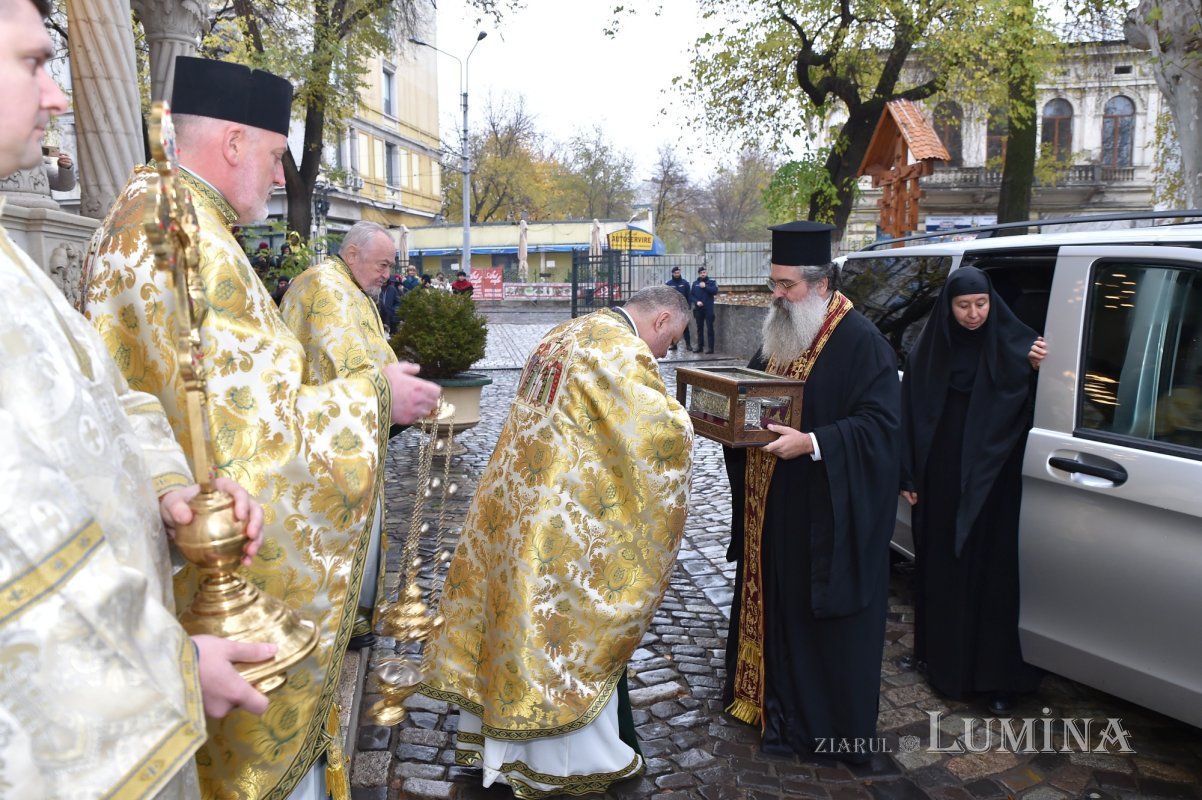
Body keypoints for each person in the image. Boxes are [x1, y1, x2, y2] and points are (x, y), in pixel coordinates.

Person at [81, 55, 441, 799]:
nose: (282, 177)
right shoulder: (185, 232)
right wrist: (374, 399)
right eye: (277, 157)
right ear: (234, 142)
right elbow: (242, 434)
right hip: (205, 571)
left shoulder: (159, 212)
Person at [0, 2, 275, 794]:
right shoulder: (163, 221)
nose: (58, 95)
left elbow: (104, 394)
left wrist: (169, 488)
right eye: (33, 62)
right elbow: (19, 541)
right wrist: (170, 665)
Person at [419, 285, 694, 796]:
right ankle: (559, 762)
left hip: (513, 506)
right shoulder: (620, 349)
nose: (665, 352)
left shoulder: (568, 332)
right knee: (555, 633)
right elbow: (655, 435)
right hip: (557, 525)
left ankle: (496, 749)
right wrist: (690, 427)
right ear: (661, 320)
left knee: (512, 627)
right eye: (671, 340)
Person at [722, 221, 900, 764]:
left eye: (787, 286)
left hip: (824, 516)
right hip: (774, 509)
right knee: (776, 607)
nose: (777, 296)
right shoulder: (783, 331)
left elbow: (882, 429)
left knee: (811, 622)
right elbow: (755, 393)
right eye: (773, 283)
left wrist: (815, 442)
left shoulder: (861, 341)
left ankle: (812, 728)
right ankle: (767, 705)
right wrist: (725, 416)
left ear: (822, 284)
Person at [899, 266, 1048, 714]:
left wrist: (1036, 370)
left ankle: (997, 677)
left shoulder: (1018, 345)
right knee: (942, 568)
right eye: (963, 305)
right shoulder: (929, 351)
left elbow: (1036, 403)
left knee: (991, 573)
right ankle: (942, 663)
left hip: (993, 477)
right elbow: (908, 415)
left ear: (992, 302)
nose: (973, 314)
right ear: (948, 308)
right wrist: (908, 476)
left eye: (981, 304)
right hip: (941, 476)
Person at [281, 221, 435, 650]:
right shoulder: (326, 288)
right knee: (336, 530)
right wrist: (391, 395)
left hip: (351, 430)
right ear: (352, 255)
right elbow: (345, 363)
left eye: (390, 265)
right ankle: (337, 620)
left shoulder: (349, 287)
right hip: (328, 437)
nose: (388, 274)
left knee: (363, 522)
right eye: (383, 264)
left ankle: (356, 617)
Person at [690, 266, 718, 353]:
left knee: (710, 328)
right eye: (701, 273)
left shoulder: (711, 282)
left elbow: (715, 291)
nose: (703, 274)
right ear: (699, 274)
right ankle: (700, 347)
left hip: (708, 309)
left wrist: (705, 286)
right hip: (699, 309)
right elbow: (691, 295)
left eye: (704, 272)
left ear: (706, 273)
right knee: (699, 328)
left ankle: (711, 348)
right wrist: (697, 301)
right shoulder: (695, 283)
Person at [665, 265, 692, 352]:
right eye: (676, 273)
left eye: (678, 272)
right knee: (673, 327)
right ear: (673, 274)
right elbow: (666, 296)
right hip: (673, 309)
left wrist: (688, 306)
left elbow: (689, 295)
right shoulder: (669, 284)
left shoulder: (685, 283)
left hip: (683, 308)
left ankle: (688, 345)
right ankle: (674, 345)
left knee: (685, 327)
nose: (677, 274)